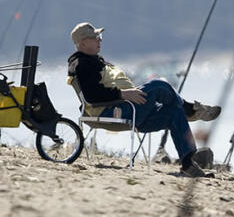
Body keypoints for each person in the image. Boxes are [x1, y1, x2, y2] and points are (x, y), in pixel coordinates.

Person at [67, 22, 220, 176]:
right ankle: (190, 109)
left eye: (100, 36)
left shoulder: (93, 60)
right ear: (83, 43)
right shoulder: (82, 64)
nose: (100, 40)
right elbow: (92, 95)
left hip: (130, 109)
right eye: (96, 37)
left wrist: (128, 93)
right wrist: (123, 94)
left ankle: (188, 165)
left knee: (174, 112)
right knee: (159, 85)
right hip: (115, 111)